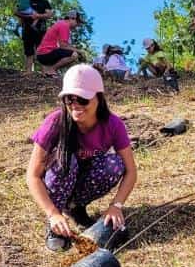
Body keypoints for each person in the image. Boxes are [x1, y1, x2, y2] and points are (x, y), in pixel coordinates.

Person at [26, 64, 137, 251]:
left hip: (84, 180)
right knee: (65, 161)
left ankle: (76, 209)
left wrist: (116, 205)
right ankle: (57, 222)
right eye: (69, 99)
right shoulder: (55, 122)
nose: (75, 105)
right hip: (60, 181)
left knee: (114, 164)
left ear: (99, 98)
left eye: (83, 99)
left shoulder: (113, 124)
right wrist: (52, 213)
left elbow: (131, 171)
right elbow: (33, 176)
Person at [16, 0, 54, 74]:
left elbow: (49, 14)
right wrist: (29, 16)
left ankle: (44, 72)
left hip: (41, 30)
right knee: (28, 51)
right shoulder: (25, 1)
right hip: (27, 29)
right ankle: (28, 71)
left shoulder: (44, 2)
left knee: (42, 50)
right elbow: (16, 12)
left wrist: (38, 16)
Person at [35, 11, 85, 76]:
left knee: (70, 53)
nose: (78, 25)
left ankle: (49, 71)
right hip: (45, 54)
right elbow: (63, 46)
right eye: (78, 22)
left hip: (43, 53)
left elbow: (64, 45)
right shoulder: (64, 26)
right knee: (74, 55)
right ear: (71, 18)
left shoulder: (61, 24)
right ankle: (51, 70)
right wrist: (79, 51)